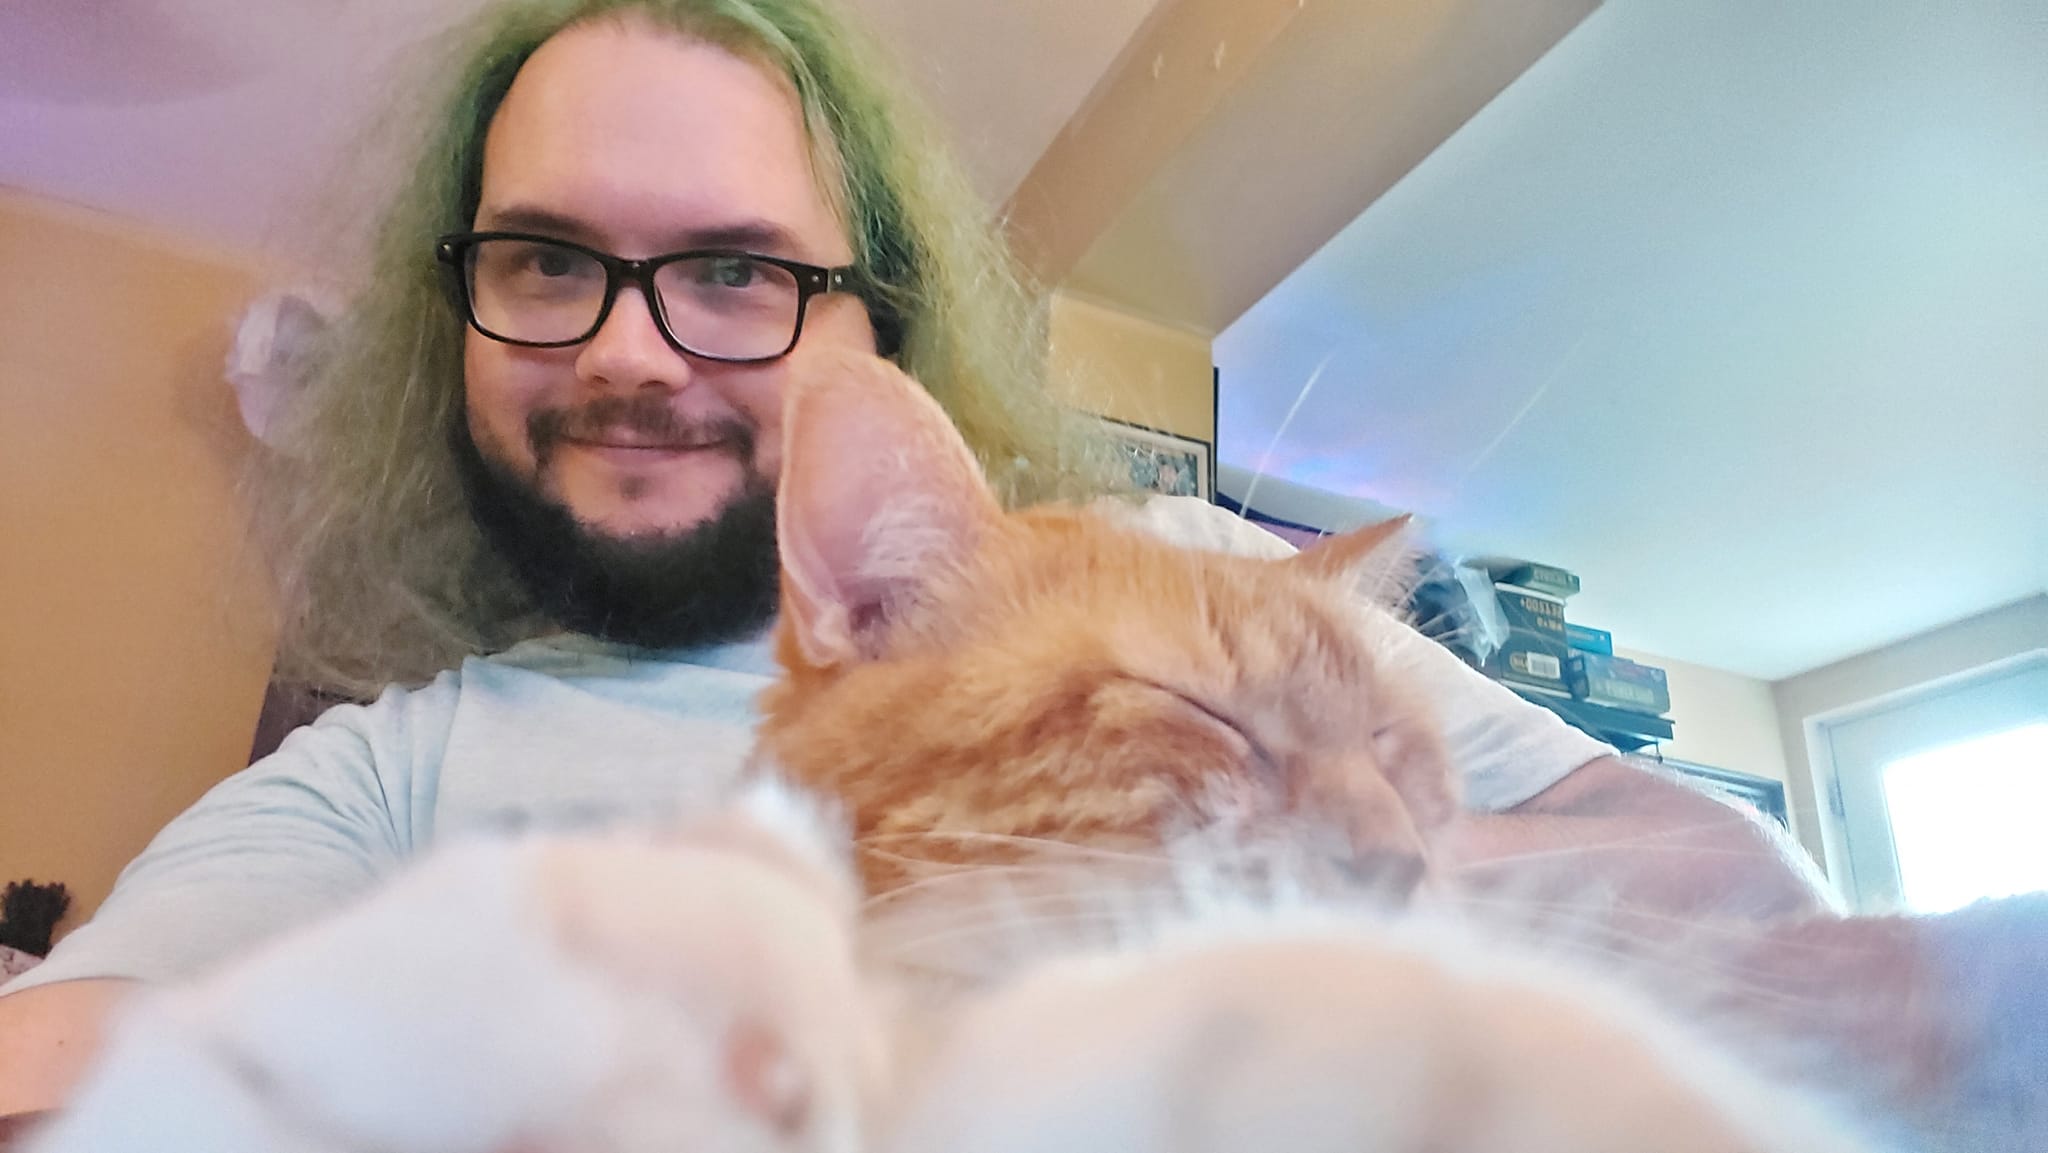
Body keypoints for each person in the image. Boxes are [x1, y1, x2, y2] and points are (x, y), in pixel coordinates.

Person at [0, 0, 1826, 1116]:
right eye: (548, 261)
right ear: (453, 320)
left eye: (734, 272)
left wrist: (1287, 865)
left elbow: (1739, 891)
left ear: (865, 321)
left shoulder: (1186, 568)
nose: (632, 352)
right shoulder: (378, 770)